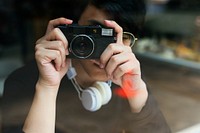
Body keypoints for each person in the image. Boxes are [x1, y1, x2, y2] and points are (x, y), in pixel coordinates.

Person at [2, 0, 171, 133]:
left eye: (121, 36)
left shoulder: (125, 82)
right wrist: (47, 88)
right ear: (69, 29)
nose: (106, 51)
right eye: (94, 33)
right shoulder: (23, 82)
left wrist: (138, 95)